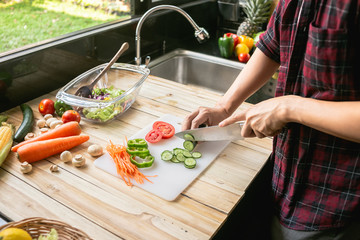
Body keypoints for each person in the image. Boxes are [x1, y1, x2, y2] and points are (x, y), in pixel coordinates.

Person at [182, 0, 360, 239]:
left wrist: (289, 107)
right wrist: (224, 107)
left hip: (338, 202)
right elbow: (273, 45)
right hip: (283, 182)